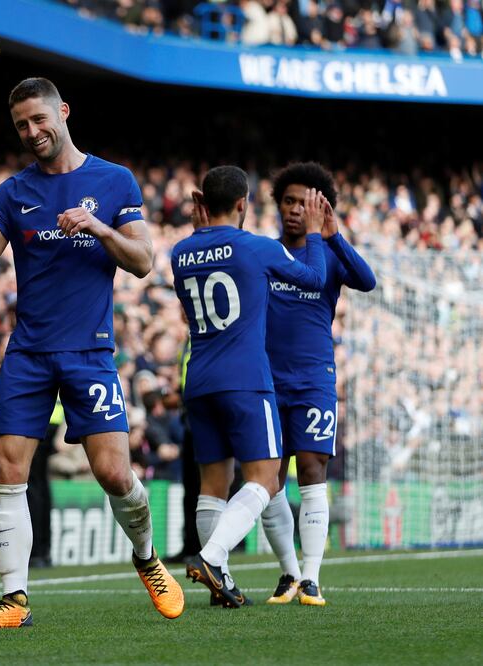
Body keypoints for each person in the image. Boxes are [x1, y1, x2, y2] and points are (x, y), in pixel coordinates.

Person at [0, 76, 184, 628]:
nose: (32, 132)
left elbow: (143, 260)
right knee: (7, 468)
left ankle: (148, 559)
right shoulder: (13, 193)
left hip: (90, 352)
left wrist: (99, 226)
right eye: (21, 125)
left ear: (63, 112)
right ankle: (13, 601)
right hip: (29, 353)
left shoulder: (113, 180)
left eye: (39, 119)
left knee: (112, 473)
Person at [173, 166, 328, 608]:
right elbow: (315, 279)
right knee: (264, 478)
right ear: (243, 203)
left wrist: (204, 237)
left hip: (198, 379)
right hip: (244, 381)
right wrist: (314, 234)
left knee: (212, 484)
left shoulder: (180, 252)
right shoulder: (259, 248)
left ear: (202, 203)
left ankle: (220, 585)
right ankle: (211, 557)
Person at [259, 163, 376, 607]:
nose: (294, 210)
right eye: (288, 201)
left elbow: (367, 281)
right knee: (268, 478)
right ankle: (288, 571)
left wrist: (331, 234)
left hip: (313, 381)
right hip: (267, 381)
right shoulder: (263, 253)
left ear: (321, 206)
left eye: (304, 202)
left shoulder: (328, 254)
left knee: (311, 472)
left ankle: (311, 577)